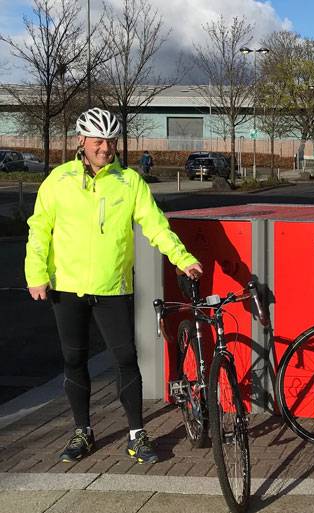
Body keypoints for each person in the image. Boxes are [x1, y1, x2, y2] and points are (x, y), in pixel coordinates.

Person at [25, 107, 203, 464]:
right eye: (98, 140)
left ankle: (137, 434)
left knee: (125, 360)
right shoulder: (58, 181)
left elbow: (155, 226)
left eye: (110, 140)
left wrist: (182, 258)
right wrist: (35, 274)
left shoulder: (129, 182)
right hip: (67, 287)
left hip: (113, 287)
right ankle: (83, 431)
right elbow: (39, 229)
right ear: (82, 141)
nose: (105, 147)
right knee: (73, 360)